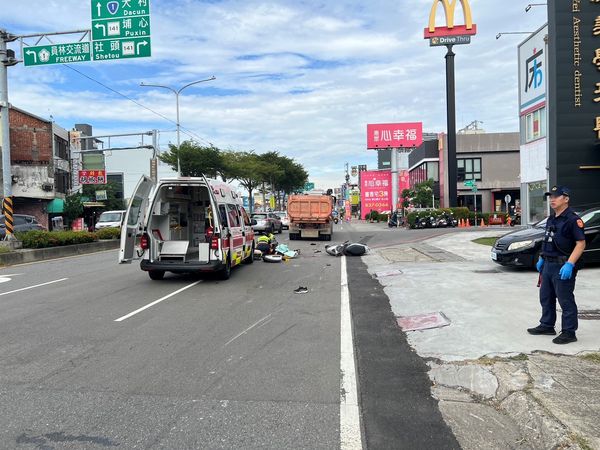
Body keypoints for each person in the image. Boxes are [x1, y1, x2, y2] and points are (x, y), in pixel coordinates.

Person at [528, 186, 586, 344]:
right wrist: (542, 258)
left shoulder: (573, 220)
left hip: (562, 266)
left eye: (556, 196)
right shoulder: (552, 218)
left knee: (565, 300)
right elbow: (548, 240)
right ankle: (547, 325)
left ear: (566, 199)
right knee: (546, 297)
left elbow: (580, 243)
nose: (552, 199)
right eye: (550, 196)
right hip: (548, 264)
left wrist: (570, 264)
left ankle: (569, 331)